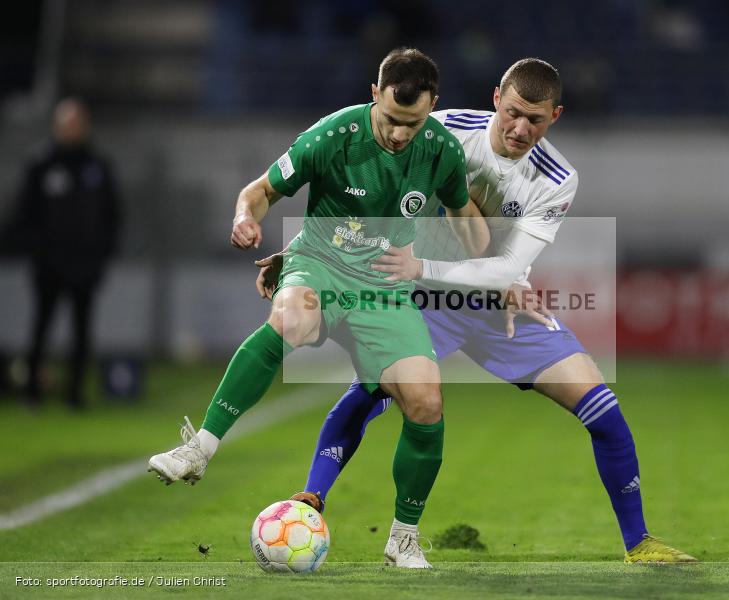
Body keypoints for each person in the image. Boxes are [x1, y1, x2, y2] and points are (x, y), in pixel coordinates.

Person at [257, 58, 696, 563]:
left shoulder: (557, 178)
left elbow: (508, 265)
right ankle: (312, 498)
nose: (520, 128)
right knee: (372, 392)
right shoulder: (440, 131)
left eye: (535, 119)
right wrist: (301, 254)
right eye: (512, 113)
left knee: (603, 409)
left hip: (491, 303)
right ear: (495, 98)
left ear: (556, 115)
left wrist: (475, 274)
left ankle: (639, 544)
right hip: (418, 299)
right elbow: (362, 199)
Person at [147, 48, 489, 568]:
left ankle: (403, 537)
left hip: (383, 285)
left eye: (412, 123)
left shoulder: (440, 151)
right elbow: (259, 190)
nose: (400, 135)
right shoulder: (331, 136)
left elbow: (466, 219)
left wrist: (481, 247)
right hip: (320, 264)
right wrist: (245, 218)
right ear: (374, 96)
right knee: (291, 319)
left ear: (432, 107)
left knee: (426, 402)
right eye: (392, 120)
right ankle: (200, 448)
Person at [15, 98, 120, 409]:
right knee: (40, 328)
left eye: (76, 123)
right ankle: (31, 393)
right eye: (66, 123)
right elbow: (26, 213)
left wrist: (101, 256)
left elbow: (112, 215)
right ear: (56, 126)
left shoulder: (97, 166)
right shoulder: (41, 164)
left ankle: (75, 395)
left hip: (84, 265)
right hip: (48, 264)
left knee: (81, 332)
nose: (71, 129)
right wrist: (36, 253)